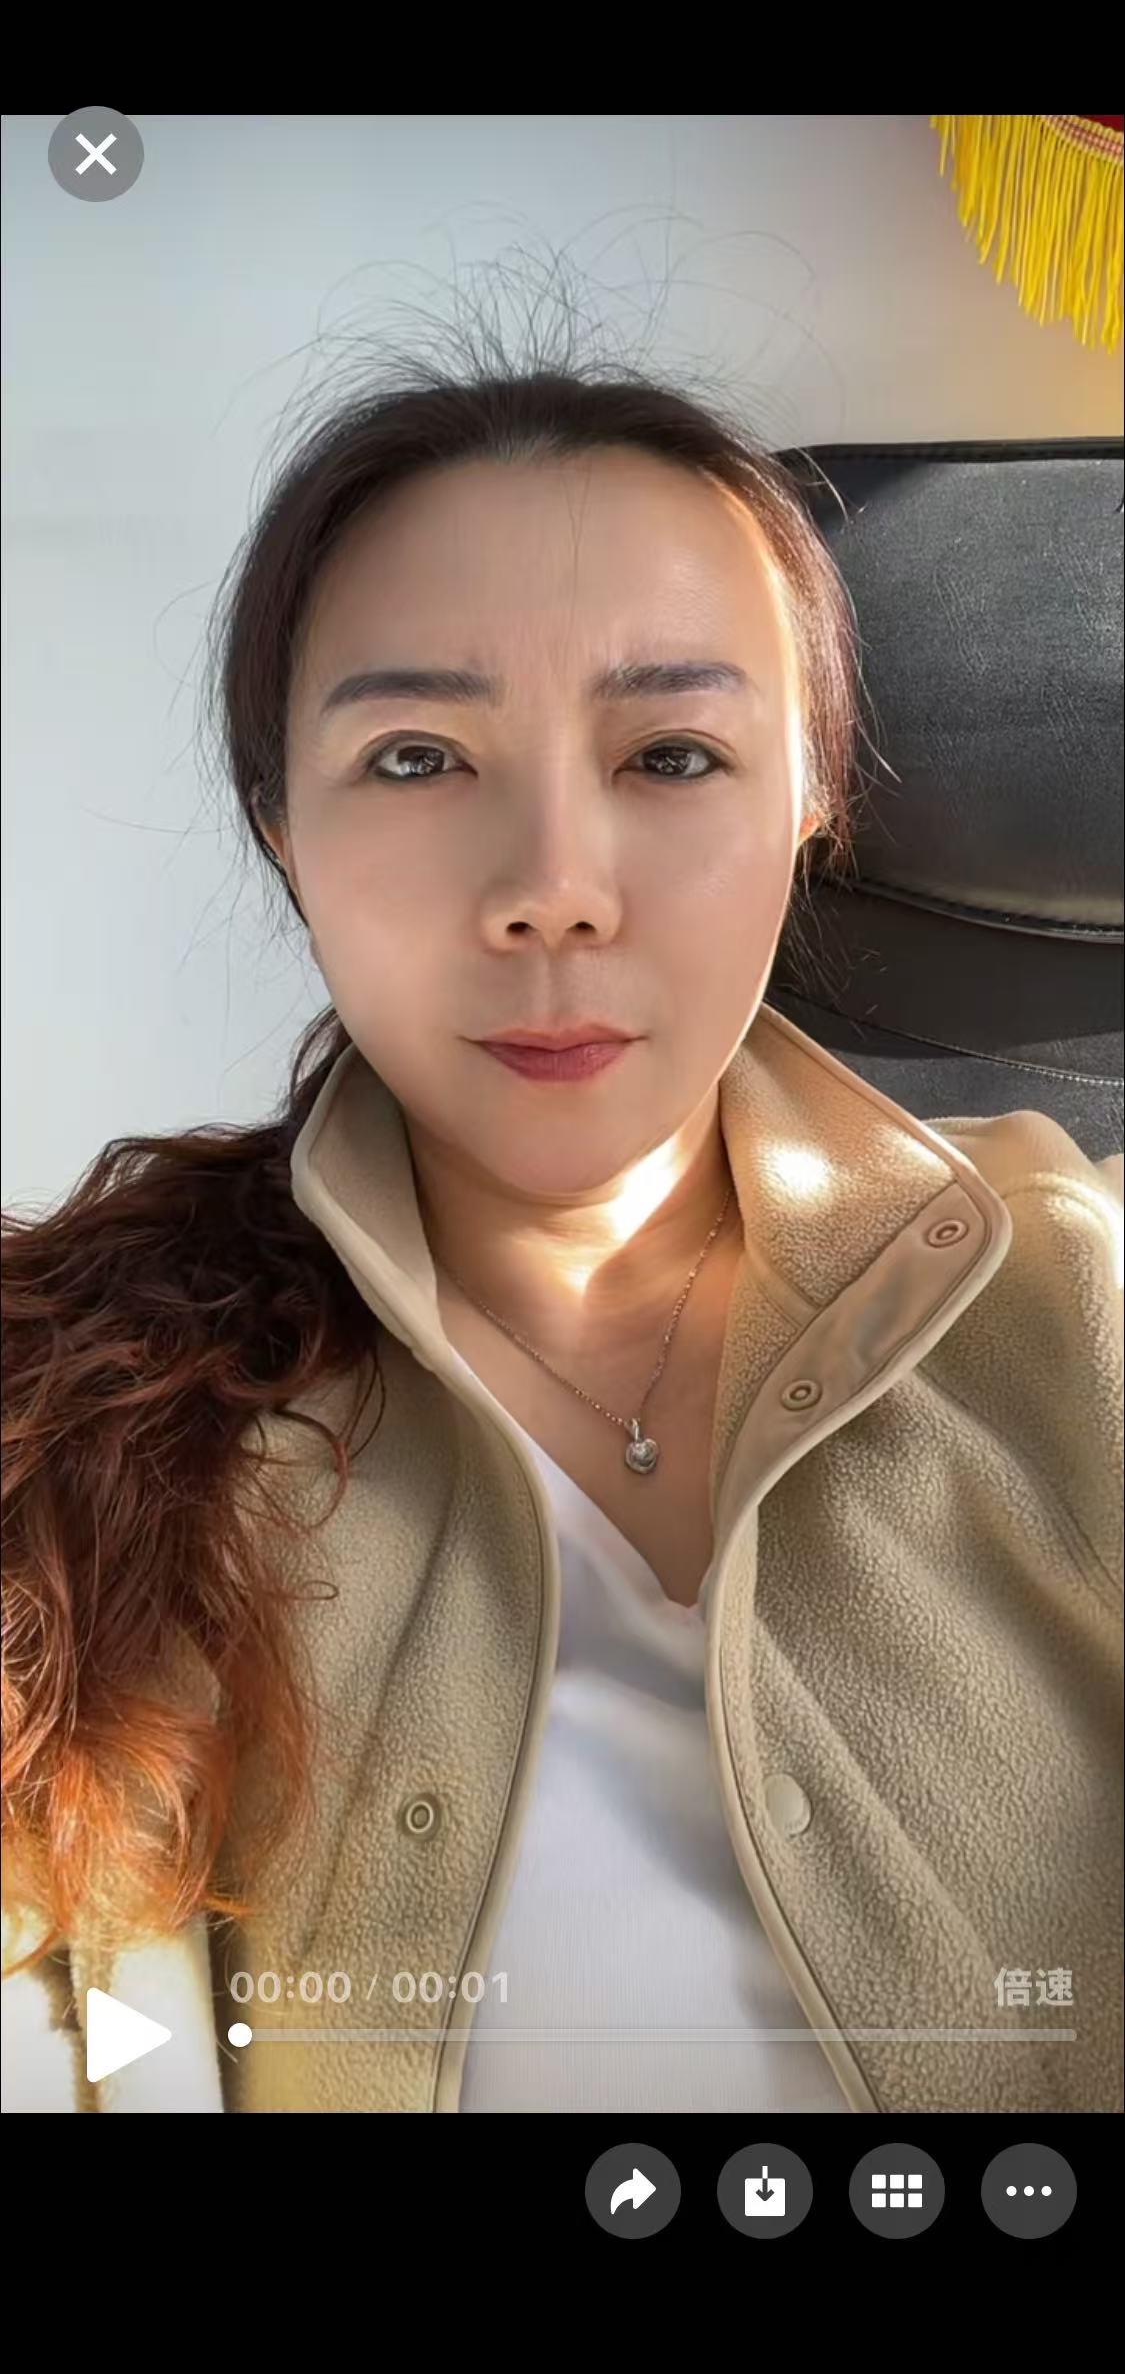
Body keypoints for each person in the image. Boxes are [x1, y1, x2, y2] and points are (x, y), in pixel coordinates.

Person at [2, 343, 1121, 2116]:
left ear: (809, 800)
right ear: (283, 829)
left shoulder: (1085, 1302)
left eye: (671, 753)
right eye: (417, 756)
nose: (550, 891)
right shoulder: (75, 1410)